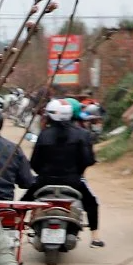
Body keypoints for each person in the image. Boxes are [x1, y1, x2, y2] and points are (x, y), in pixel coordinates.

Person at [29, 98, 103, 247]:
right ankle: (95, 237)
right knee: (91, 203)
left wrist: (44, 174)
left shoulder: (44, 135)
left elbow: (34, 163)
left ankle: (20, 228)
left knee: (24, 200)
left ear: (50, 116)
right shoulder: (82, 134)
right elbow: (88, 160)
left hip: (44, 181)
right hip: (74, 182)